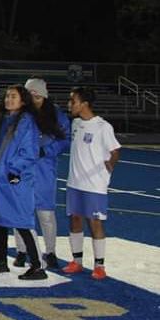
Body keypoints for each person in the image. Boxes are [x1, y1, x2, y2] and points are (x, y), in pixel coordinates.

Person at [0, 85, 44, 280]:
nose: (9, 99)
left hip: (16, 178)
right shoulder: (1, 119)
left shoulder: (27, 122)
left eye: (13, 96)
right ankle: (1, 260)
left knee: (22, 221)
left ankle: (37, 265)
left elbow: (29, 151)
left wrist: (14, 170)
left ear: (23, 100)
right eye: (7, 96)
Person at [62, 87, 121, 280]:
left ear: (84, 104)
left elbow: (115, 151)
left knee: (95, 222)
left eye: (73, 101)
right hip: (74, 183)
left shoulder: (103, 127)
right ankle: (77, 262)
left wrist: (107, 170)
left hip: (94, 185)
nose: (70, 104)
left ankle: (99, 265)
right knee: (75, 220)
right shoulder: (76, 123)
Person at [20, 77, 71, 269]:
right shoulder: (20, 114)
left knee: (46, 213)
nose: (34, 99)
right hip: (23, 167)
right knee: (22, 211)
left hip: (44, 168)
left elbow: (65, 140)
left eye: (37, 95)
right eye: (30, 94)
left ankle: (50, 251)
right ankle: (22, 250)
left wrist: (46, 150)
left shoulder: (56, 115)